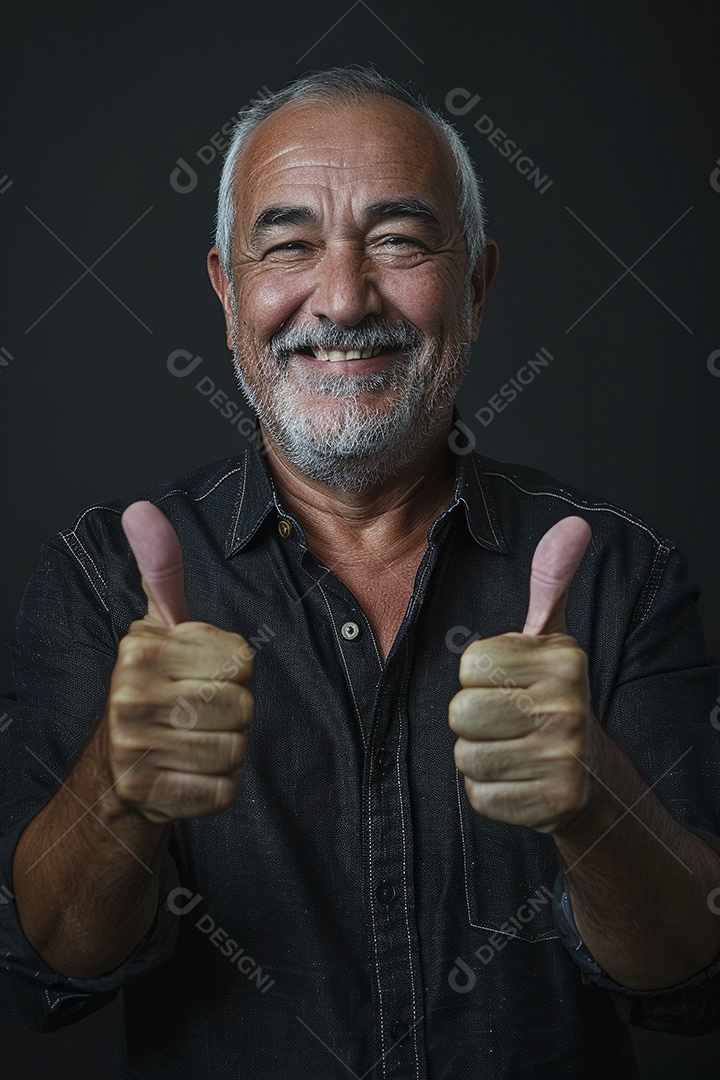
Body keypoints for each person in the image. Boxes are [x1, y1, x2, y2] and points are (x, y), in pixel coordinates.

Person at [1, 66, 719, 1079]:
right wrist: (117, 792)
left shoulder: (625, 576)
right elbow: (46, 971)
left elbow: (687, 977)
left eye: (399, 241)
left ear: (474, 283)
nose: (342, 299)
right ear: (226, 288)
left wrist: (596, 797)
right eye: (290, 245)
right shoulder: (97, 578)